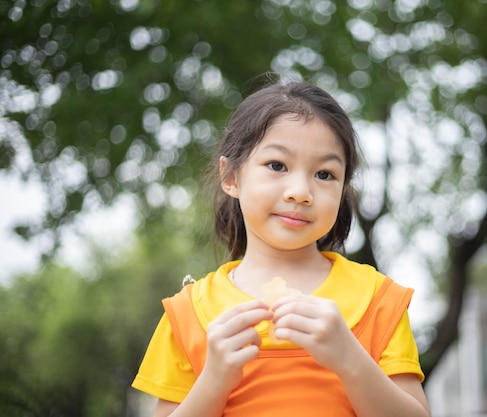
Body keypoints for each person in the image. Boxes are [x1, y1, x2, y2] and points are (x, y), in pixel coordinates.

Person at [131, 80, 431, 417]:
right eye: (277, 165)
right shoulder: (188, 314)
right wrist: (214, 380)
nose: (300, 191)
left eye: (324, 174)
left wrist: (350, 359)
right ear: (231, 176)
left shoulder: (378, 300)